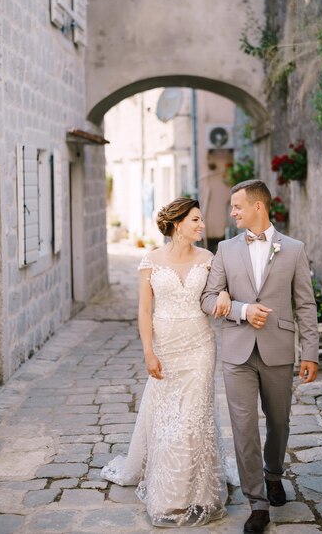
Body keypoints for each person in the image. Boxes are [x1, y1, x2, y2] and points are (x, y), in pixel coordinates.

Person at [101, 197, 231, 528]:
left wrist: (226, 295)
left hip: (200, 347)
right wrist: (149, 352)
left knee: (193, 420)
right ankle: (169, 488)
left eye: (202, 220)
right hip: (166, 348)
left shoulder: (209, 259)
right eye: (196, 220)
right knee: (167, 420)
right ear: (177, 224)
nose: (202, 225)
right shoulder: (151, 262)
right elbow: (144, 311)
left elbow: (218, 293)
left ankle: (193, 494)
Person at [201, 180, 319, 534]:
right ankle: (258, 503)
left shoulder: (294, 249)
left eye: (237, 206)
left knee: (279, 422)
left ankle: (272, 475)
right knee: (243, 427)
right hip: (237, 352)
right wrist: (240, 309)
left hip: (278, 348)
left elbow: (305, 304)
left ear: (258, 207)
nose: (232, 212)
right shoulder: (225, 249)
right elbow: (208, 298)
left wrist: (309, 352)